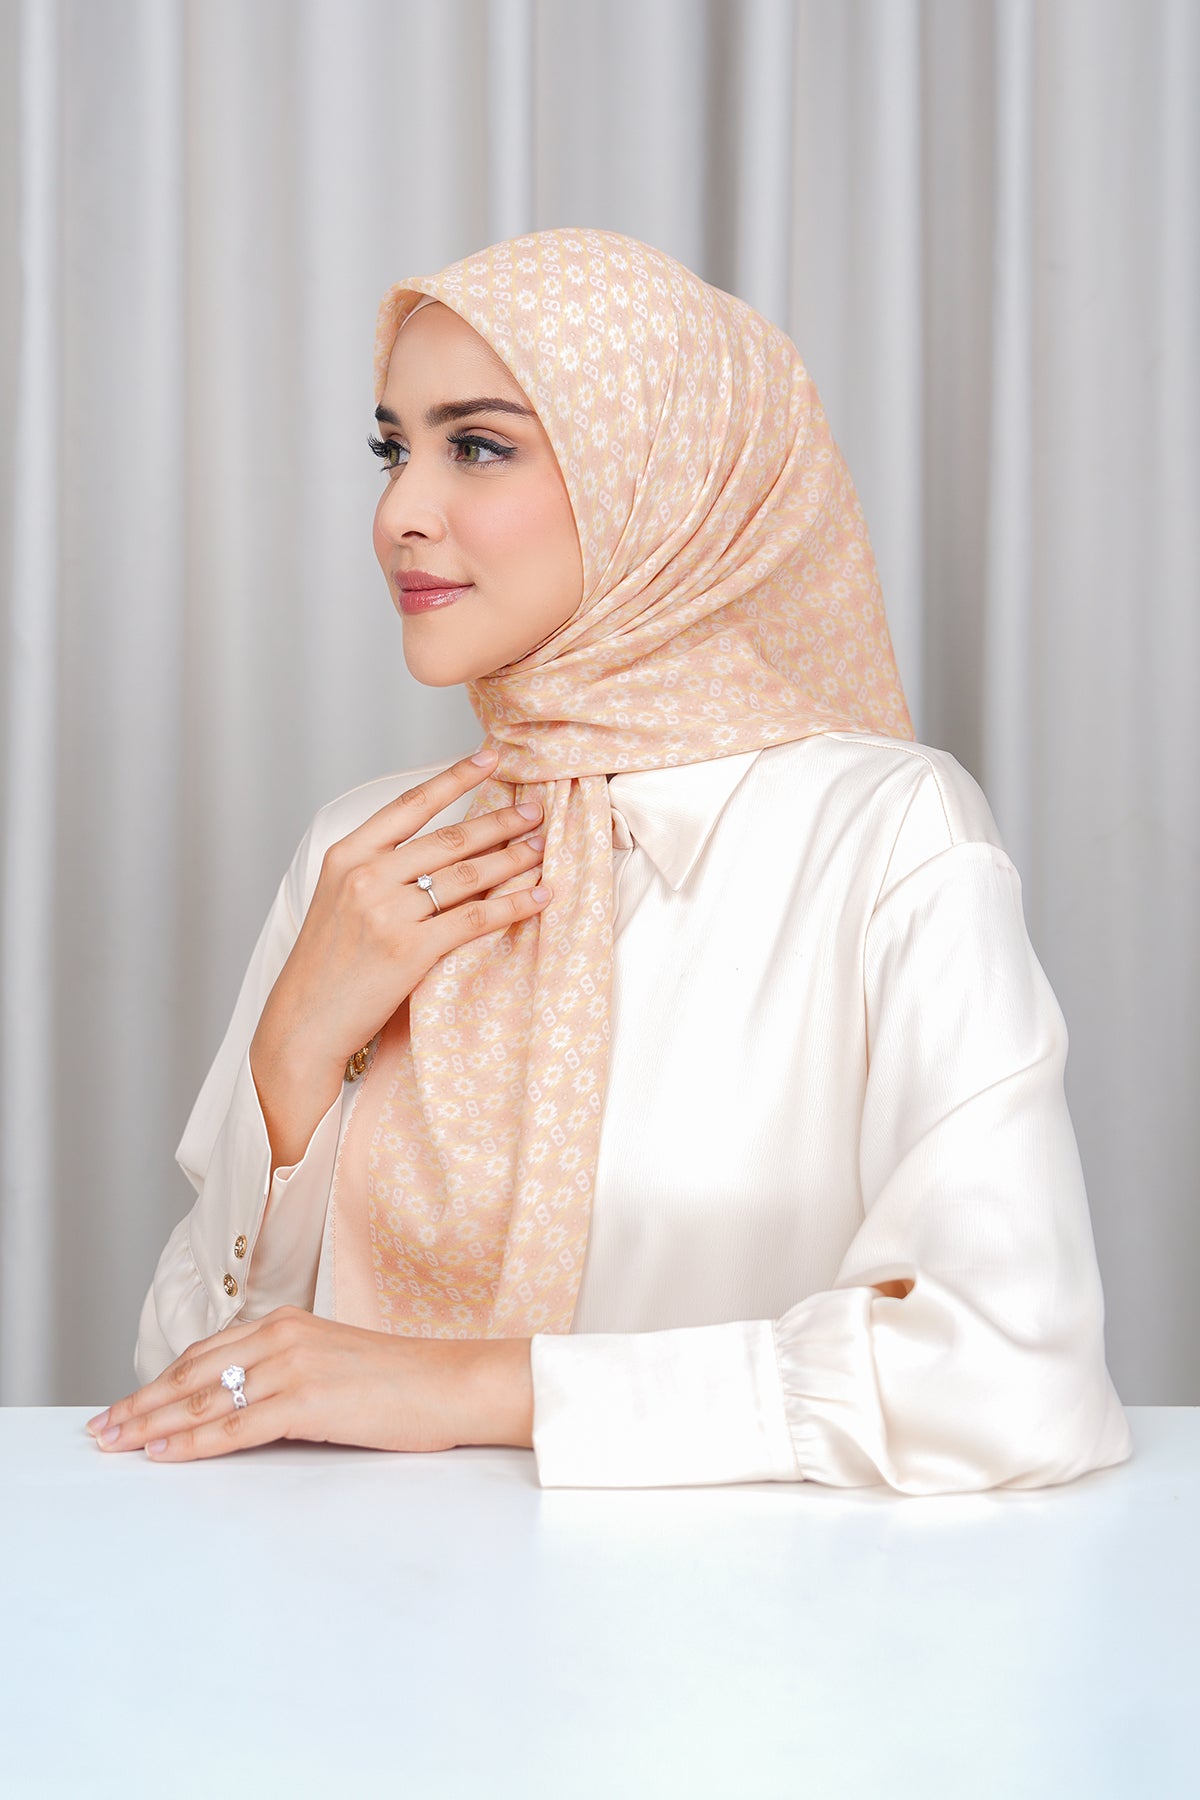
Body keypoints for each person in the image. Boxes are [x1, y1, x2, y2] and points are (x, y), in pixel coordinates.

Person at [87, 227, 1132, 1492]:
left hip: (758, 1609)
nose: (399, 513)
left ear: (660, 471)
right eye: (393, 449)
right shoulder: (370, 854)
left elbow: (1012, 1374)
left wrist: (474, 1388)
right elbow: (195, 1384)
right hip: (349, 1603)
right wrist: (295, 1053)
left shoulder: (886, 836)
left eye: (478, 446)